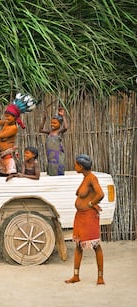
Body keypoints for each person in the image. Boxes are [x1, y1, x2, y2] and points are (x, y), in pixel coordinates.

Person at [65, 154, 105, 285]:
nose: (75, 166)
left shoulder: (92, 178)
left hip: (89, 217)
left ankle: (100, 277)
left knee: (96, 246)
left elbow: (100, 194)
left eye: (76, 164)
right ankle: (76, 275)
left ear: (81, 166)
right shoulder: (85, 178)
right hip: (80, 217)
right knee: (78, 245)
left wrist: (90, 204)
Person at [0, 93, 38, 176]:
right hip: (3, 155)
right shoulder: (7, 123)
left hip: (8, 155)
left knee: (9, 174)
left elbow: (1, 136)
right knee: (3, 174)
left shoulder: (14, 128)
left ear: (15, 117)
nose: (6, 118)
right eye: (6, 116)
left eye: (9, 116)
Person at [39, 107, 68, 175]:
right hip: (50, 155)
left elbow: (66, 127)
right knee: (52, 167)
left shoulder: (59, 132)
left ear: (60, 124)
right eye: (51, 123)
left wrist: (63, 116)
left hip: (58, 154)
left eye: (55, 123)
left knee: (59, 167)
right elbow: (40, 130)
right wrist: (44, 119)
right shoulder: (49, 132)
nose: (52, 125)